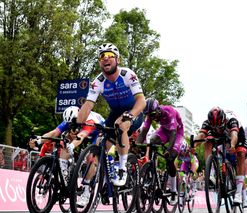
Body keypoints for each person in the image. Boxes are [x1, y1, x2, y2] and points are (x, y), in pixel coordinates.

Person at [77, 43, 146, 189]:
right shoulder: (98, 82)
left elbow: (141, 101)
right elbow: (88, 105)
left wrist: (130, 115)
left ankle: (122, 170)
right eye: (102, 56)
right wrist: (76, 124)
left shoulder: (127, 75)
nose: (106, 59)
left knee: (122, 126)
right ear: (99, 61)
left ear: (117, 60)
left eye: (110, 56)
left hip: (134, 110)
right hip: (115, 113)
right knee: (95, 151)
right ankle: (86, 190)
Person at [29, 106, 105, 186]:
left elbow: (82, 135)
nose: (70, 125)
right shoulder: (69, 120)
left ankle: (86, 187)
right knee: (65, 141)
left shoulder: (89, 121)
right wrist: (39, 141)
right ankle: (64, 173)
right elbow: (54, 133)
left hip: (97, 132)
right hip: (82, 130)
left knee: (91, 157)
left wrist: (72, 146)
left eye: (72, 123)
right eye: (69, 124)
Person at [194, 107, 247, 205]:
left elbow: (234, 135)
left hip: (236, 135)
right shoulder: (207, 122)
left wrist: (232, 145)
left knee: (240, 154)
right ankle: (210, 173)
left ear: (223, 119)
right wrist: (193, 145)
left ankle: (239, 193)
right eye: (214, 126)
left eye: (219, 125)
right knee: (208, 142)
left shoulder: (232, 120)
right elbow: (201, 135)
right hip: (220, 136)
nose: (216, 127)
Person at [137, 98, 184, 205]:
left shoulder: (169, 111)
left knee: (170, 158)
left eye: (153, 114)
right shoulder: (150, 114)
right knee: (152, 141)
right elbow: (144, 131)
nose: (152, 117)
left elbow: (173, 133)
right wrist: (137, 145)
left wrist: (168, 149)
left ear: (158, 109)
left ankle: (173, 191)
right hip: (164, 131)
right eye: (150, 116)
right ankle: (153, 169)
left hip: (176, 133)